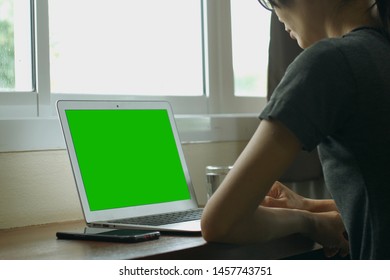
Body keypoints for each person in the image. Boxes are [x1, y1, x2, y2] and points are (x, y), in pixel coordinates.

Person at [201, 0, 390, 260]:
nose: (277, 14)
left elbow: (220, 222)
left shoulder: (328, 62)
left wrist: (309, 222)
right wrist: (307, 206)